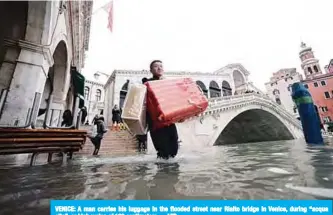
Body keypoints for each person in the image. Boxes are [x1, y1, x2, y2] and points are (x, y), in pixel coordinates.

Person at [142, 60, 180, 159]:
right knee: (163, 151)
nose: (159, 68)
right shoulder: (147, 84)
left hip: (169, 121)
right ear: (151, 70)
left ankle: (171, 173)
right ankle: (162, 173)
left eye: (161, 66)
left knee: (174, 148)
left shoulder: (167, 84)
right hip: (156, 123)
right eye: (156, 66)